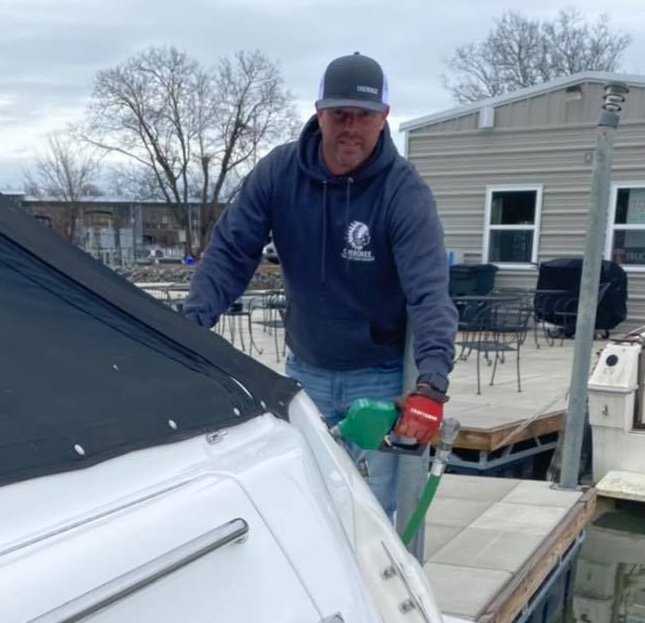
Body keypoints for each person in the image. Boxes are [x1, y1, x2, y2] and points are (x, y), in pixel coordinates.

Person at [182, 51, 457, 518]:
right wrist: (189, 328)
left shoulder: (402, 192)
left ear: (385, 117)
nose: (350, 127)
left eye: (364, 116)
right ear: (319, 113)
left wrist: (431, 385)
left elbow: (429, 292)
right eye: (339, 115)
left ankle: (372, 590)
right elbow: (230, 252)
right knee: (304, 501)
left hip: (379, 377)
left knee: (371, 513)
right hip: (305, 370)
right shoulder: (279, 173)